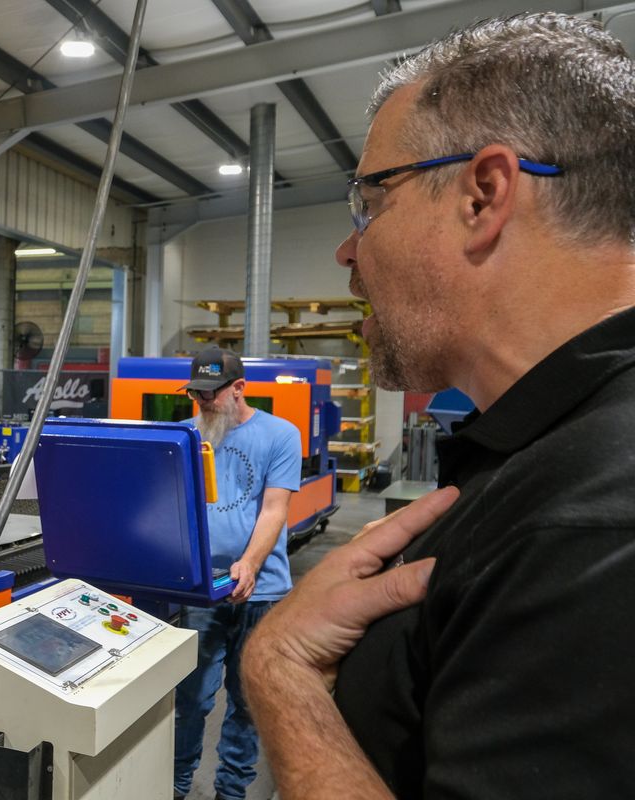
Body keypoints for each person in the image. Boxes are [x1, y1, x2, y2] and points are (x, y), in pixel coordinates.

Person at [242, 12, 635, 799]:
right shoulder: (546, 456)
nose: (348, 252)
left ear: (483, 194)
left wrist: (280, 673)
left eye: (371, 200)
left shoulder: (595, 520)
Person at [173, 346, 301, 800]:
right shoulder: (186, 435)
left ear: (239, 388)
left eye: (211, 394)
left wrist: (248, 562)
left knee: (247, 702)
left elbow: (274, 509)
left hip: (261, 591)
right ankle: (176, 785)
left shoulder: (280, 435)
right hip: (202, 591)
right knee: (191, 699)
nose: (203, 403)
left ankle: (231, 791)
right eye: (196, 395)